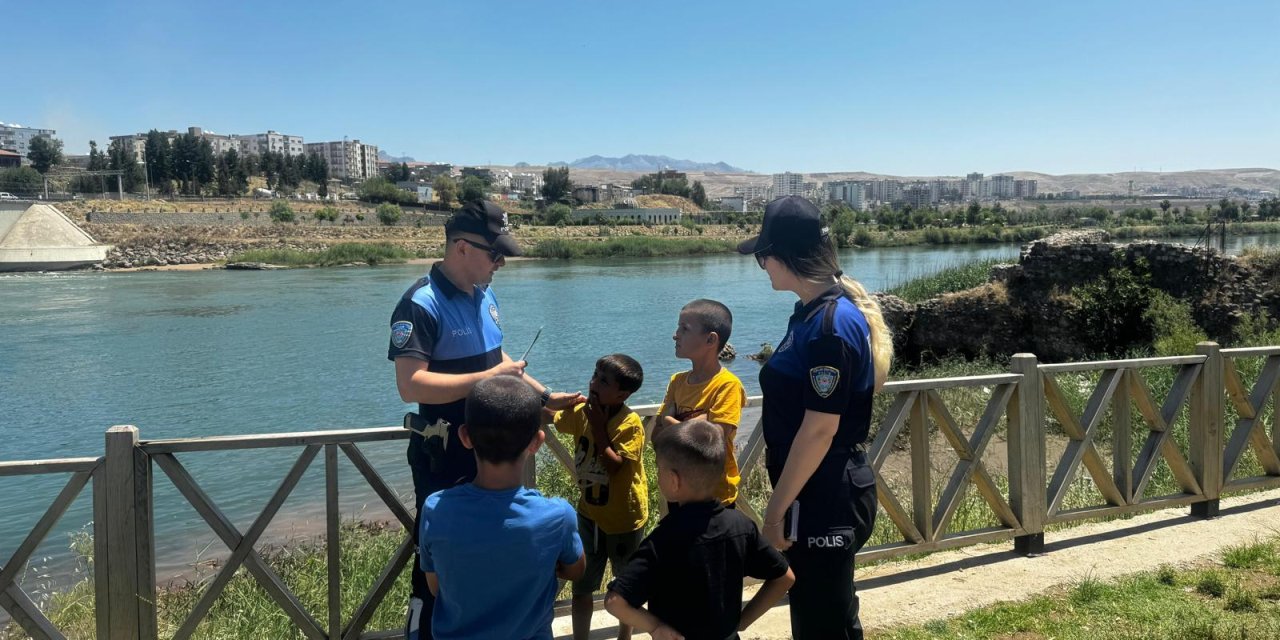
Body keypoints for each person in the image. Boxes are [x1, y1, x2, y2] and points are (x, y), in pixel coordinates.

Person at [387, 199, 583, 639]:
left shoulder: (485, 294)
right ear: (460, 247)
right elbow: (411, 383)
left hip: (495, 450)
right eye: (495, 255)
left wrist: (545, 396)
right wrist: (488, 377)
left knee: (498, 551)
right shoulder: (420, 303)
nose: (501, 264)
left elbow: (499, 359)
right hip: (448, 456)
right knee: (434, 566)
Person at [736, 195, 893, 639]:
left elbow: (820, 429)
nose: (762, 266)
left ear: (782, 257)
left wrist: (775, 511)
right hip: (817, 490)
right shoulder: (810, 315)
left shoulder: (829, 327)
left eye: (762, 257)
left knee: (825, 621)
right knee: (820, 613)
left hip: (825, 495)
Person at [419, 375, 586, 640]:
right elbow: (576, 571)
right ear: (538, 441)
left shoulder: (436, 509)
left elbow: (436, 587)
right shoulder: (558, 515)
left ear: (465, 436)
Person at [605, 419, 795, 640]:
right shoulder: (741, 526)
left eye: (659, 469)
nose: (657, 476)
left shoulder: (662, 541)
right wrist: (743, 621)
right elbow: (785, 578)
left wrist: (655, 627)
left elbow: (615, 601)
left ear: (674, 481)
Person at [551, 354, 648, 640]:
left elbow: (616, 467)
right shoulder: (584, 411)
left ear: (622, 394)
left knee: (624, 585)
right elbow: (555, 419)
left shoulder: (629, 424)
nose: (593, 382)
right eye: (595, 375)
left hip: (624, 520)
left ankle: (624, 635)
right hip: (589, 514)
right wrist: (529, 400)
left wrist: (597, 428)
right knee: (582, 585)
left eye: (603, 381)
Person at [655, 299, 748, 508]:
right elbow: (657, 437)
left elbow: (712, 443)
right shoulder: (677, 381)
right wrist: (699, 423)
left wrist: (669, 419)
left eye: (684, 329)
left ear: (710, 340)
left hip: (715, 496)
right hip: (678, 491)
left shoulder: (727, 385)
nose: (675, 334)